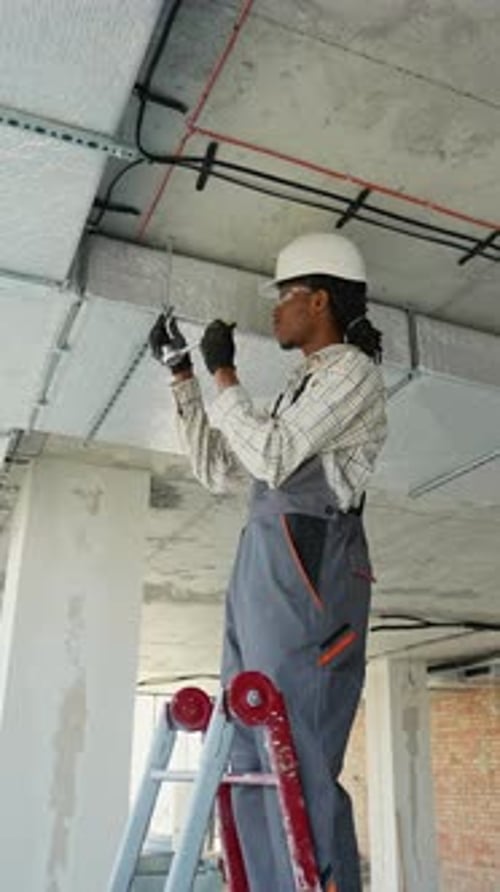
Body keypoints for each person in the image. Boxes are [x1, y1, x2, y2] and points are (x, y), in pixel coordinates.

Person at [149, 232, 387, 892]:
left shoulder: (350, 376)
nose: (275, 312)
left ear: (319, 300)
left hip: (312, 565)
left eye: (284, 299)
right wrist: (183, 378)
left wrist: (225, 374)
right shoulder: (300, 388)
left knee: (300, 751)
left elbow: (276, 457)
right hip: (265, 560)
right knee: (249, 738)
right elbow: (220, 466)